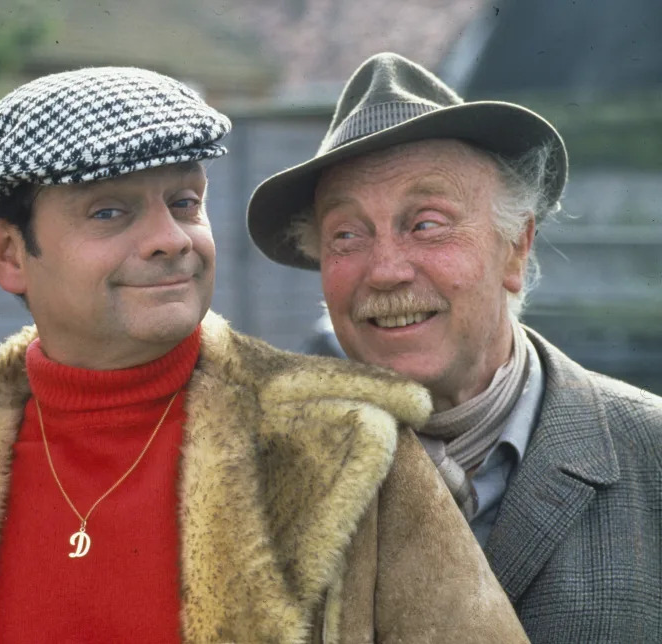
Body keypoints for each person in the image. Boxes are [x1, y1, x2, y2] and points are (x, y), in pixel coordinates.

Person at [0, 66, 527, 643]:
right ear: (8, 251)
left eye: (184, 202)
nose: (170, 239)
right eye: (111, 210)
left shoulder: (346, 444)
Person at [248, 52, 662, 643]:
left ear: (515, 249)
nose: (386, 270)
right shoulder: (266, 480)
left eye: (427, 224)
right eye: (347, 234)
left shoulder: (651, 455)